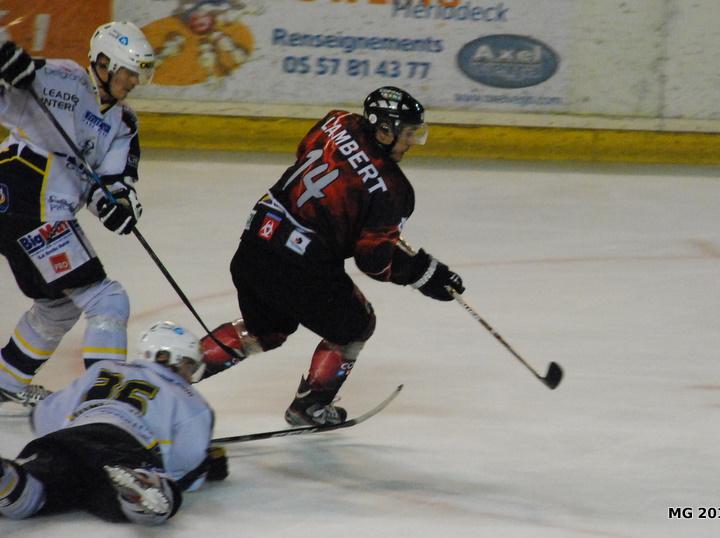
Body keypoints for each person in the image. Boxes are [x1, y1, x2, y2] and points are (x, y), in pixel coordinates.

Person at [200, 86, 465, 426]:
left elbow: (305, 156)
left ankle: (171, 372)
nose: (412, 141)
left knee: (265, 330)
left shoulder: (336, 122)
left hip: (254, 244)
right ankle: (309, 407)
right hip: (299, 268)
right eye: (409, 133)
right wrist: (424, 274)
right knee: (357, 325)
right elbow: (373, 261)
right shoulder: (394, 190)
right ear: (385, 130)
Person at [0, 22, 155, 406]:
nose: (134, 81)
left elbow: (112, 184)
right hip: (27, 199)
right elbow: (9, 85)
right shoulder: (62, 77)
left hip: (35, 211)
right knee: (107, 299)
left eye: (139, 74)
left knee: (59, 305)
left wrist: (116, 207)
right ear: (103, 63)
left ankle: (6, 379)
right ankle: (103, 403)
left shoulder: (123, 123)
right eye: (128, 71)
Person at [0, 321, 226, 525]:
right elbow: (186, 461)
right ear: (170, 359)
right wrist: (204, 469)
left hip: (71, 440)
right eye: (189, 366)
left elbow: (44, 415)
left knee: (33, 494)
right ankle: (143, 483)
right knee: (161, 500)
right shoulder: (186, 396)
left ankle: (8, 480)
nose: (190, 375)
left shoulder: (104, 368)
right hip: (124, 446)